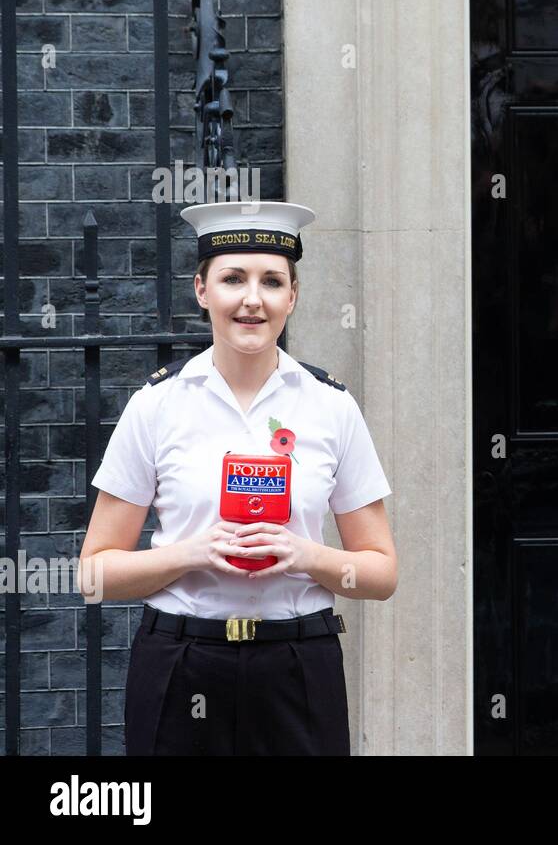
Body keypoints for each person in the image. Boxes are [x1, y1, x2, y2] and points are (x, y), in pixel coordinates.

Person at [80, 200, 397, 756]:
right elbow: (94, 575)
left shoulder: (332, 407)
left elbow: (380, 572)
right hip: (181, 664)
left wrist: (306, 556)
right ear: (202, 290)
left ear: (292, 297)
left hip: (298, 665)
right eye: (233, 279)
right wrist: (192, 553)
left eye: (272, 281)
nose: (253, 299)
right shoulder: (156, 405)